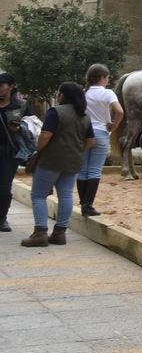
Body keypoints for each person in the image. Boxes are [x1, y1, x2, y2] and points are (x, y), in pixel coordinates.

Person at [21, 82, 93, 247]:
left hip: (51, 160)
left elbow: (46, 135)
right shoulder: (84, 116)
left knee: (38, 195)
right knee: (66, 195)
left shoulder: (56, 112)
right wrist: (78, 151)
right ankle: (60, 233)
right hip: (73, 161)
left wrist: (39, 148)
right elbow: (91, 141)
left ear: (63, 95)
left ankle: (40, 233)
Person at [78, 64, 123, 218]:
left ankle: (83, 202)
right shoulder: (107, 93)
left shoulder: (83, 93)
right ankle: (88, 204)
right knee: (95, 170)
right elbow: (119, 111)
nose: (108, 80)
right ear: (102, 77)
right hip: (101, 132)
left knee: (82, 170)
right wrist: (114, 125)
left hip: (84, 133)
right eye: (107, 77)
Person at [0, 72, 26, 232]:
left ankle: (2, 218)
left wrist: (19, 128)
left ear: (11, 87)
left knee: (4, 187)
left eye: (1, 85)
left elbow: (33, 126)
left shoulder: (20, 106)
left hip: (9, 151)